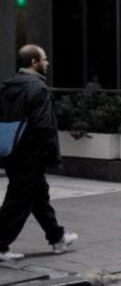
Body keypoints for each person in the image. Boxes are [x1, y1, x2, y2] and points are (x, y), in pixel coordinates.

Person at [0, 45, 78, 261]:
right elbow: (45, 125)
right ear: (34, 61)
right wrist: (53, 155)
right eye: (44, 59)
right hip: (31, 154)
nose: (47, 63)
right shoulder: (38, 89)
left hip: (11, 152)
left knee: (37, 195)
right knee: (19, 200)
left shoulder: (8, 87)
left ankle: (57, 237)